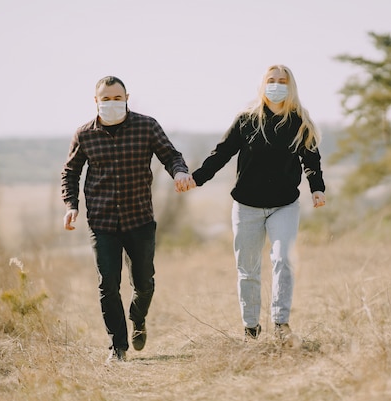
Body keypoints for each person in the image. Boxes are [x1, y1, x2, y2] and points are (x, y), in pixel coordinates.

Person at [61, 76, 193, 363]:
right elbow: (70, 172)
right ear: (95, 101)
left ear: (127, 98)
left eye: (117, 98)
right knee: (107, 284)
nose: (111, 103)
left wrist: (179, 172)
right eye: (105, 99)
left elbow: (170, 155)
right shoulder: (84, 134)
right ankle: (117, 347)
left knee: (144, 283)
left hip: (139, 219)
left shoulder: (146, 126)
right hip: (102, 221)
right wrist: (72, 205)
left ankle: (138, 317)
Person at [190, 64, 326, 343]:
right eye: (271, 80)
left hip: (284, 205)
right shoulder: (246, 121)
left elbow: (312, 161)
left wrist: (317, 189)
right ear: (263, 85)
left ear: (291, 87)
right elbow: (221, 153)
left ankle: (280, 323)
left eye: (282, 81)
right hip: (247, 206)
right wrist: (197, 178)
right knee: (247, 268)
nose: (276, 85)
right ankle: (251, 327)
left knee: (283, 259)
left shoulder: (300, 122)